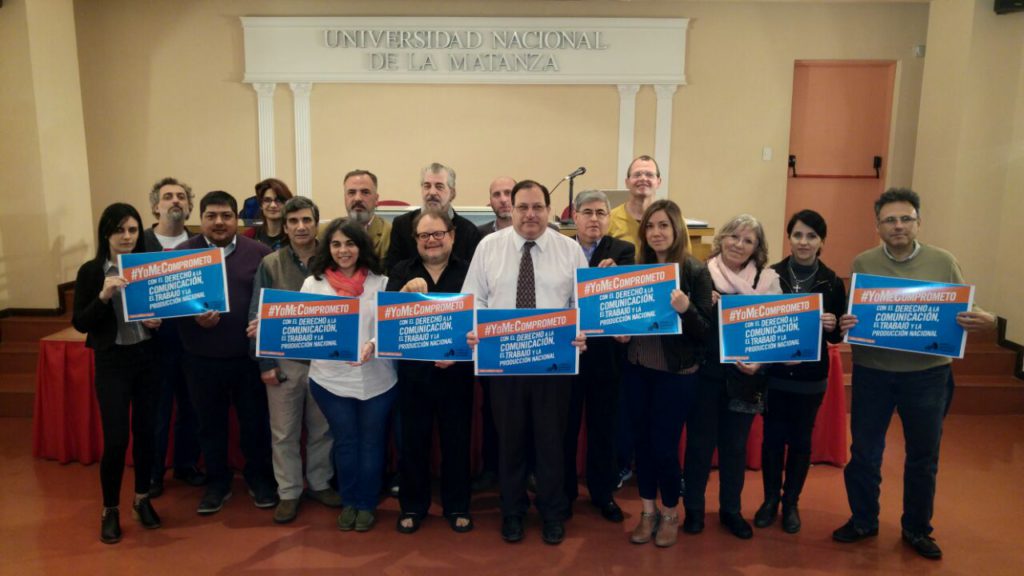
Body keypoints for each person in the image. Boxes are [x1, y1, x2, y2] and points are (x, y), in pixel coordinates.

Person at [832, 188, 995, 560]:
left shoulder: (943, 261)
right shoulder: (863, 263)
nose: (898, 225)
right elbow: (852, 315)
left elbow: (963, 306)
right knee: (865, 452)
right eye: (890, 220)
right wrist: (847, 322)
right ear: (877, 226)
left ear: (919, 222)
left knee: (923, 456)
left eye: (906, 218)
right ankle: (863, 520)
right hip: (873, 372)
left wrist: (982, 319)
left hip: (927, 376)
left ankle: (917, 529)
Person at [462, 180, 589, 546]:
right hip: (504, 367)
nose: (530, 214)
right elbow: (475, 300)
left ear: (549, 211)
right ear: (511, 209)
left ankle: (552, 513)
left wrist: (581, 332)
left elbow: (581, 305)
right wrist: (476, 329)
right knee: (510, 443)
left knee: (551, 444)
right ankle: (513, 512)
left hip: (554, 368)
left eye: (537, 207)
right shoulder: (489, 247)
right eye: (522, 207)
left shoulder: (569, 250)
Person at [617, 200, 712, 548]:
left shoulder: (695, 271)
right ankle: (647, 511)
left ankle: (671, 511)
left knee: (664, 447)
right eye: (651, 227)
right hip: (638, 368)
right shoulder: (636, 269)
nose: (656, 232)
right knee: (640, 443)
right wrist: (621, 333)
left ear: (676, 230)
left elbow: (705, 330)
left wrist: (686, 309)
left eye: (664, 226)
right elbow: (621, 319)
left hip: (677, 373)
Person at [176, 191, 277, 515]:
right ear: (201, 219)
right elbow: (166, 306)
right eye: (211, 216)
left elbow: (269, 302)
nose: (219, 222)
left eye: (226, 215)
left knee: (254, 424)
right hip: (200, 359)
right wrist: (190, 316)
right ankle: (217, 483)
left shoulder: (259, 253)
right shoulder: (181, 255)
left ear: (237, 219)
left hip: (246, 359)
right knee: (209, 425)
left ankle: (259, 479)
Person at [683, 213, 781, 540]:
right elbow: (690, 324)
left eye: (748, 240)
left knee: (735, 448)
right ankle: (693, 510)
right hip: (705, 374)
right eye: (734, 237)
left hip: (746, 378)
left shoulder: (768, 281)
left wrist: (761, 363)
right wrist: (702, 306)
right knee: (699, 446)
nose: (739, 244)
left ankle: (731, 510)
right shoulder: (700, 274)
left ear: (757, 248)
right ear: (721, 238)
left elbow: (776, 331)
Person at [72, 203, 163, 544]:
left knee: (147, 434)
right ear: (106, 234)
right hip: (112, 362)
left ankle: (142, 499)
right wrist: (103, 296)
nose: (127, 237)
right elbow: (81, 322)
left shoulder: (147, 268)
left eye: (133, 230)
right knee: (116, 439)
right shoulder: (91, 271)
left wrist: (157, 321)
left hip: (146, 357)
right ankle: (110, 508)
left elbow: (163, 309)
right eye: (120, 230)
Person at [246, 196, 339, 524]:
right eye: (293, 222)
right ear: (284, 227)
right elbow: (258, 315)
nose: (301, 227)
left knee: (322, 429)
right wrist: (265, 364)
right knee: (283, 431)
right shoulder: (270, 264)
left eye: (307, 220)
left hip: (325, 362)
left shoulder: (333, 260)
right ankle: (288, 491)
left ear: (316, 223)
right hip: (285, 365)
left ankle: (319, 482)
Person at [754, 210, 846, 534]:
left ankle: (791, 502)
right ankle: (769, 501)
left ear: (821, 241)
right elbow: (757, 324)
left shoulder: (832, 281)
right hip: (775, 374)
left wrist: (834, 325)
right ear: (789, 237)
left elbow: (836, 337)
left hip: (811, 377)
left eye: (811, 236)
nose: (804, 242)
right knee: (772, 439)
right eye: (798, 235)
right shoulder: (769, 276)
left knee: (801, 441)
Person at [303, 219, 396, 533]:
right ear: (327, 248)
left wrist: (374, 344)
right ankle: (350, 502)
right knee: (345, 442)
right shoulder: (312, 284)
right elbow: (302, 332)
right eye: (336, 244)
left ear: (362, 246)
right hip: (330, 380)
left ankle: (367, 504)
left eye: (350, 243)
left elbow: (391, 327)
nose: (343, 251)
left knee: (371, 444)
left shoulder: (381, 282)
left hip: (378, 379)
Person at [388, 209, 475, 534]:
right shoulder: (401, 271)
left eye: (438, 233)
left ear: (451, 235)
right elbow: (388, 323)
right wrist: (402, 295)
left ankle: (457, 505)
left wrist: (460, 352)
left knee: (457, 443)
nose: (432, 240)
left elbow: (481, 319)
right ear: (416, 241)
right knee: (413, 444)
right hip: (414, 377)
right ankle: (412, 505)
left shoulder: (469, 272)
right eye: (424, 235)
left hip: (457, 375)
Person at [563, 190, 635, 525]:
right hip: (567, 351)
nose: (595, 219)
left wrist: (616, 276)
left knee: (603, 427)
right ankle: (563, 493)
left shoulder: (623, 251)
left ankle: (603, 493)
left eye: (601, 213)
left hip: (606, 356)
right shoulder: (560, 248)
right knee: (564, 428)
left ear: (609, 218)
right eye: (588, 212)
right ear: (574, 216)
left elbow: (631, 300)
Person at [142, 177, 206, 497]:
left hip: (193, 341)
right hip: (153, 346)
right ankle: (153, 473)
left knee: (192, 407)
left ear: (190, 205)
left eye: (181, 196)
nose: (175, 201)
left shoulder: (200, 246)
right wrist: (141, 317)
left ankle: (185, 465)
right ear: (156, 206)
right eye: (168, 197)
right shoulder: (139, 244)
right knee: (157, 411)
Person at [384, 162, 481, 271]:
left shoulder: (469, 231)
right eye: (427, 186)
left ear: (452, 193)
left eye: (439, 187)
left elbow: (472, 276)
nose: (432, 192)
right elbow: (392, 270)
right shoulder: (402, 225)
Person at [608, 155, 690, 254]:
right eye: (637, 174)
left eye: (649, 175)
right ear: (627, 182)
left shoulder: (674, 218)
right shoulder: (609, 219)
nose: (643, 178)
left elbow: (684, 257)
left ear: (658, 182)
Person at [343, 169, 391, 261]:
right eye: (351, 192)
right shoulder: (331, 233)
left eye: (365, 192)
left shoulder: (390, 234)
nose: (357, 198)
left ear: (376, 199)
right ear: (345, 198)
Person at [243, 178, 293, 251]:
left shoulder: (294, 236)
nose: (273, 205)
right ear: (261, 205)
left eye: (278, 200)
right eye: (267, 200)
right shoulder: (250, 236)